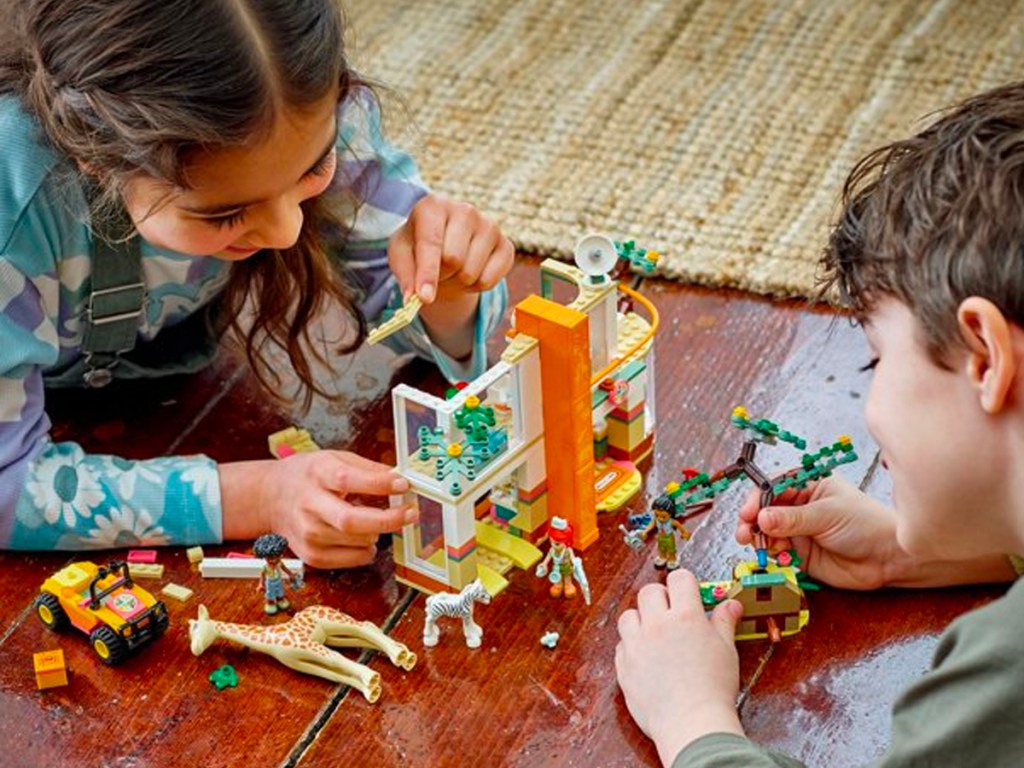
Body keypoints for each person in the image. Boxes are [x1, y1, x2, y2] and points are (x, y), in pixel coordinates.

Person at [0, 0, 514, 568]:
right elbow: (7, 487)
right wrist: (262, 496)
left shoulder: (299, 100)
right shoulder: (12, 204)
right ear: (94, 156)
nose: (287, 230)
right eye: (224, 214)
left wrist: (449, 289)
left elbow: (415, 309)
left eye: (312, 170)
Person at [615, 79, 1024, 767]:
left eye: (876, 360)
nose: (872, 401)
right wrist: (912, 555)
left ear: (984, 356)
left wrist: (694, 720)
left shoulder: (1000, 673)